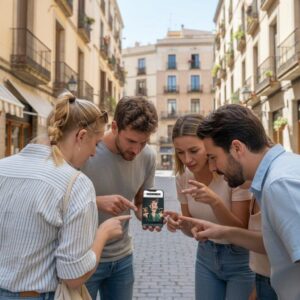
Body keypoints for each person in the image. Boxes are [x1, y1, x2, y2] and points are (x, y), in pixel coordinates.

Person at [0, 93, 130, 300]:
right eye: (96, 144)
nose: (94, 153)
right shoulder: (76, 184)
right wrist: (103, 234)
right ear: (81, 136)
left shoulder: (3, 168)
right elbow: (74, 276)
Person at [195, 103, 300, 299]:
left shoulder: (279, 184)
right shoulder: (280, 171)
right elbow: (277, 245)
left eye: (213, 157)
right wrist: (222, 231)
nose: (213, 167)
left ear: (237, 148)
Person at [165, 114, 254, 300]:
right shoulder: (183, 178)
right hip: (206, 256)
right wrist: (181, 224)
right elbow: (192, 231)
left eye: (193, 150)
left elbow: (240, 229)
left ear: (208, 144)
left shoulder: (231, 173)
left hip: (240, 258)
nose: (187, 159)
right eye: (180, 152)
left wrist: (215, 202)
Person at [82, 96, 158, 300]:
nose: (136, 150)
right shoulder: (88, 151)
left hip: (123, 259)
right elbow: (60, 198)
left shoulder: (148, 156)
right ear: (114, 127)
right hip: (83, 257)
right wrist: (98, 202)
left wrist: (152, 216)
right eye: (131, 141)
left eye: (143, 142)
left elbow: (142, 203)